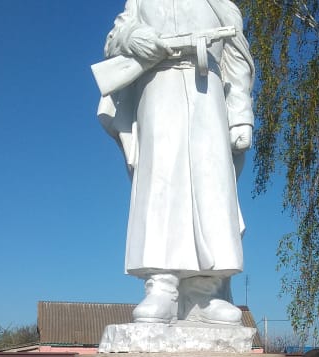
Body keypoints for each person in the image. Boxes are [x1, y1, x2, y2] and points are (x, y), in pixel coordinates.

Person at [98, 0, 254, 325]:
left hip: (207, 91)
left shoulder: (220, 3)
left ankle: (204, 293)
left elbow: (238, 60)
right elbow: (115, 38)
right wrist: (134, 37)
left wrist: (241, 117)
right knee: (161, 184)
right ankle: (162, 286)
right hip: (158, 87)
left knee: (212, 185)